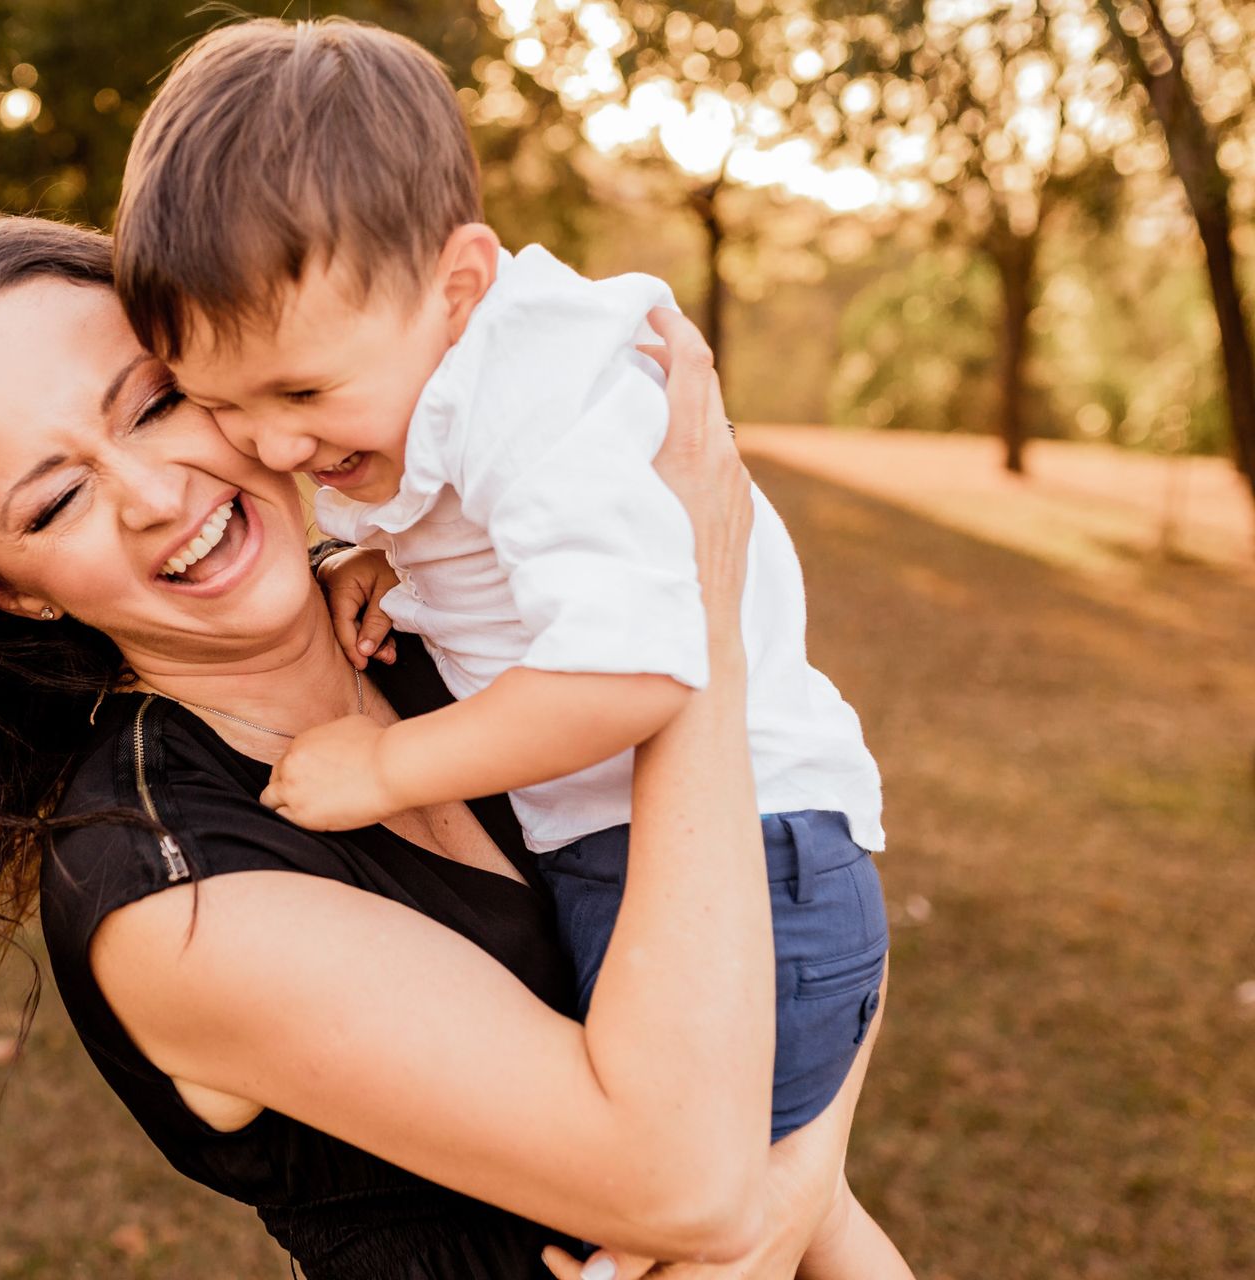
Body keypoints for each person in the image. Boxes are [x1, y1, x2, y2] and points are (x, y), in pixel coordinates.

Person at [0, 214, 875, 1279]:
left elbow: (797, 876)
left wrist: (793, 1178)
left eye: (150, 407)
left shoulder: (449, 627)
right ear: (14, 590)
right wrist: (689, 625)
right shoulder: (170, 894)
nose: (154, 497)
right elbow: (687, 1183)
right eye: (56, 499)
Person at [113, 19, 907, 1278]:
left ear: (461, 288)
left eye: (302, 396)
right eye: (220, 401)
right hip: (717, 842)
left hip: (748, 855)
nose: (266, 447)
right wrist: (394, 557)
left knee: (693, 1226)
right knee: (779, 1205)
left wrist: (388, 768)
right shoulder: (447, 395)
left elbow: (638, 671)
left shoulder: (537, 407)